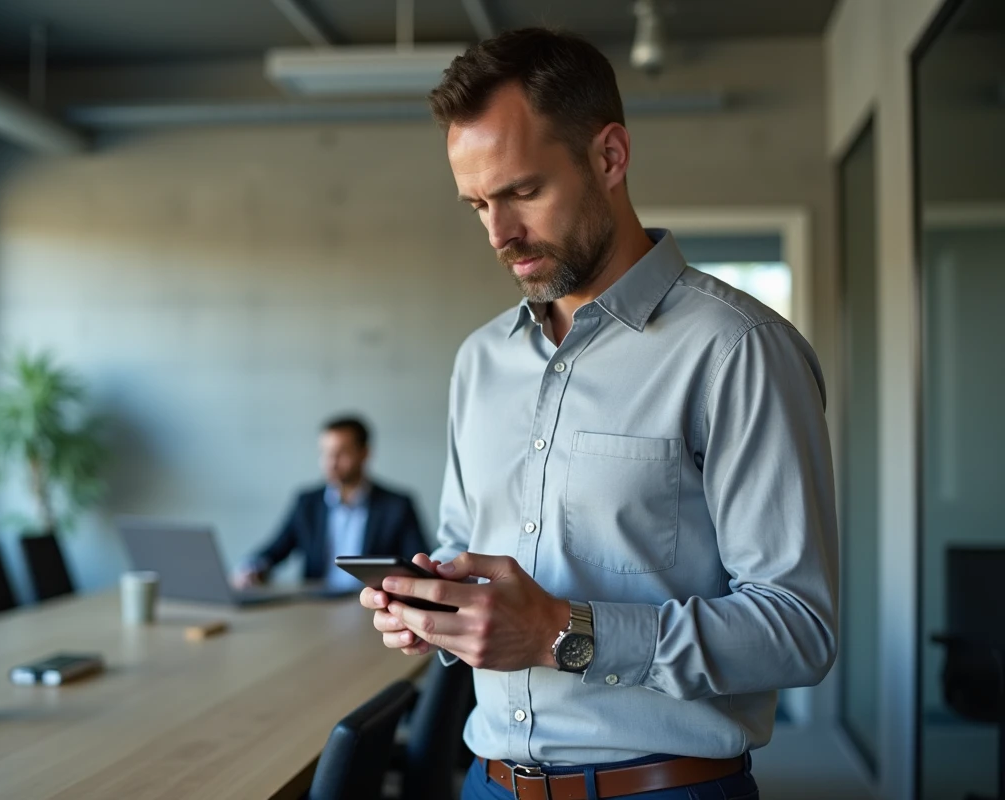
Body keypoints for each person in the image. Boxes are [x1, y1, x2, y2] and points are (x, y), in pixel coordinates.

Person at [359, 28, 838, 800]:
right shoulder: (480, 361)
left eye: (521, 192)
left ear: (610, 157)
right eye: (478, 203)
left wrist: (558, 632)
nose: (498, 234)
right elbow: (459, 545)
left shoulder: (738, 351)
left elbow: (798, 629)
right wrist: (436, 610)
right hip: (487, 784)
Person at [232, 416, 428, 592]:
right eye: (325, 453)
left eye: (341, 453)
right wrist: (251, 568)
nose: (331, 463)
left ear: (365, 453)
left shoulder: (397, 506)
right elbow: (274, 550)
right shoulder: (307, 503)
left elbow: (418, 565)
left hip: (374, 608)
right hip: (315, 607)